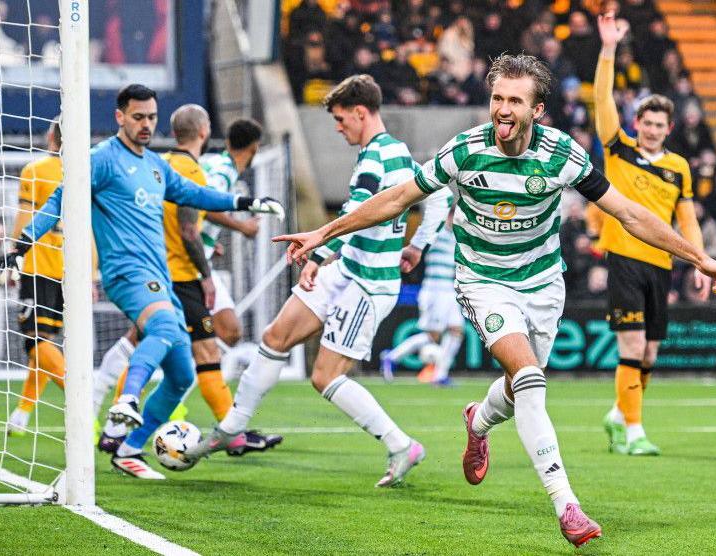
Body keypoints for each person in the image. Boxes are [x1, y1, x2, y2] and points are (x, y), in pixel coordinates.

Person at [267, 54, 716, 547]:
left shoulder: (562, 154)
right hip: (482, 281)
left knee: (520, 386)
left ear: (537, 110)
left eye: (515, 100)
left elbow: (629, 213)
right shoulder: (465, 150)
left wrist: (700, 258)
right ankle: (566, 504)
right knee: (530, 379)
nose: (502, 108)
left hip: (543, 283)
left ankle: (477, 421)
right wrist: (324, 232)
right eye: (497, 98)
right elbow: (396, 198)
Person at [1, 84, 285, 479]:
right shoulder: (101, 159)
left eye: (151, 117)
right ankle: (127, 400)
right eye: (138, 117)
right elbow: (59, 201)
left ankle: (128, 449)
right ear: (120, 117)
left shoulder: (155, 165)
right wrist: (22, 244)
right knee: (165, 328)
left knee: (182, 374)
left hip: (160, 277)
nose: (146, 124)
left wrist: (246, 202)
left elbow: (196, 194)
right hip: (126, 273)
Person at [185, 75, 450, 488]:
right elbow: (439, 197)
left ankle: (401, 445)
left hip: (368, 284)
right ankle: (231, 428)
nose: (338, 128)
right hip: (346, 269)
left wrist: (319, 254)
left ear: (360, 113)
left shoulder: (377, 157)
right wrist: (417, 246)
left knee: (324, 377)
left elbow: (357, 210)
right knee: (275, 337)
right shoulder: (395, 153)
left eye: (341, 120)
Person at [94, 111, 281, 457]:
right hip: (181, 274)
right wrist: (211, 266)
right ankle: (121, 427)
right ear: (204, 131)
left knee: (175, 347)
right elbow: (191, 221)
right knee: (201, 350)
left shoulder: (158, 163)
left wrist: (207, 241)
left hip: (154, 270)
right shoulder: (204, 170)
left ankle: (117, 426)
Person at [588, 12, 712, 458]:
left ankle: (619, 414)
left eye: (661, 125)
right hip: (624, 258)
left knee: (650, 354)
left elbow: (688, 219)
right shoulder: (618, 149)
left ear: (669, 129)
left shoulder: (678, 167)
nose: (653, 130)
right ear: (636, 122)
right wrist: (608, 49)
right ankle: (635, 432)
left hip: (661, 264)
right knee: (632, 345)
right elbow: (601, 98)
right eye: (648, 122)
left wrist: (700, 261)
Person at [5, 120, 71, 434]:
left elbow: (26, 216)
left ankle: (82, 395)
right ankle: (22, 412)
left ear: (50, 136)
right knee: (44, 344)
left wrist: (13, 257)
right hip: (68, 270)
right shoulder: (82, 174)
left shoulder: (36, 170)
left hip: (37, 266)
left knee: (35, 343)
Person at [380, 211, 463, 386]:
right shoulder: (438, 232)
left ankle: (440, 375)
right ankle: (391, 357)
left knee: (457, 331)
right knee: (433, 335)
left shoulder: (455, 236)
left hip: (448, 289)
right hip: (434, 289)